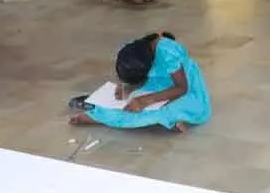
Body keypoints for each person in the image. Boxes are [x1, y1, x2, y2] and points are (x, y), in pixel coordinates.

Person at [69, 32, 211, 131]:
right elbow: (124, 68)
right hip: (157, 83)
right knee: (128, 105)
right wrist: (122, 85)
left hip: (184, 85)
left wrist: (146, 100)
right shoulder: (132, 49)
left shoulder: (169, 52)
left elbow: (181, 88)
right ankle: (99, 111)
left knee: (182, 109)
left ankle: (99, 117)